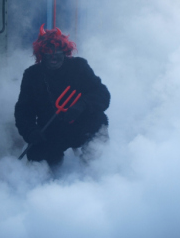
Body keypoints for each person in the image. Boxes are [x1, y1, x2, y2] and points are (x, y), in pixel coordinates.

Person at [15, 25, 110, 167]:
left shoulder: (79, 66)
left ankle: (94, 171)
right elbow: (23, 111)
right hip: (51, 131)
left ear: (65, 51)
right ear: (41, 54)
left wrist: (81, 105)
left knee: (98, 122)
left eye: (57, 52)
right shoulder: (32, 75)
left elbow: (102, 94)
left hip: (81, 125)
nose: (53, 57)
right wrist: (30, 132)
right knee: (38, 161)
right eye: (48, 53)